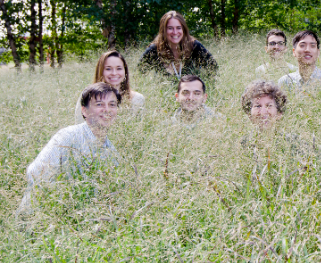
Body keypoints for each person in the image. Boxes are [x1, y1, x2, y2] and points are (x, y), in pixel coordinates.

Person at [19, 83, 122, 213]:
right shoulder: (67, 136)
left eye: (112, 105)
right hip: (45, 221)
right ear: (84, 111)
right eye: (99, 104)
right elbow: (36, 171)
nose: (107, 110)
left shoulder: (112, 151)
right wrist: (61, 203)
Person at [139, 11, 218, 80]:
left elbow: (214, 67)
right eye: (170, 28)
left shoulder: (194, 46)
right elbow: (139, 72)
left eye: (178, 28)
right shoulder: (155, 49)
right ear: (163, 30)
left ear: (183, 29)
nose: (175, 32)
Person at [75, 50, 144, 123]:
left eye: (119, 68)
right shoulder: (88, 96)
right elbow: (80, 128)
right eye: (108, 69)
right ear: (101, 71)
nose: (114, 73)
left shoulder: (137, 99)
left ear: (125, 71)